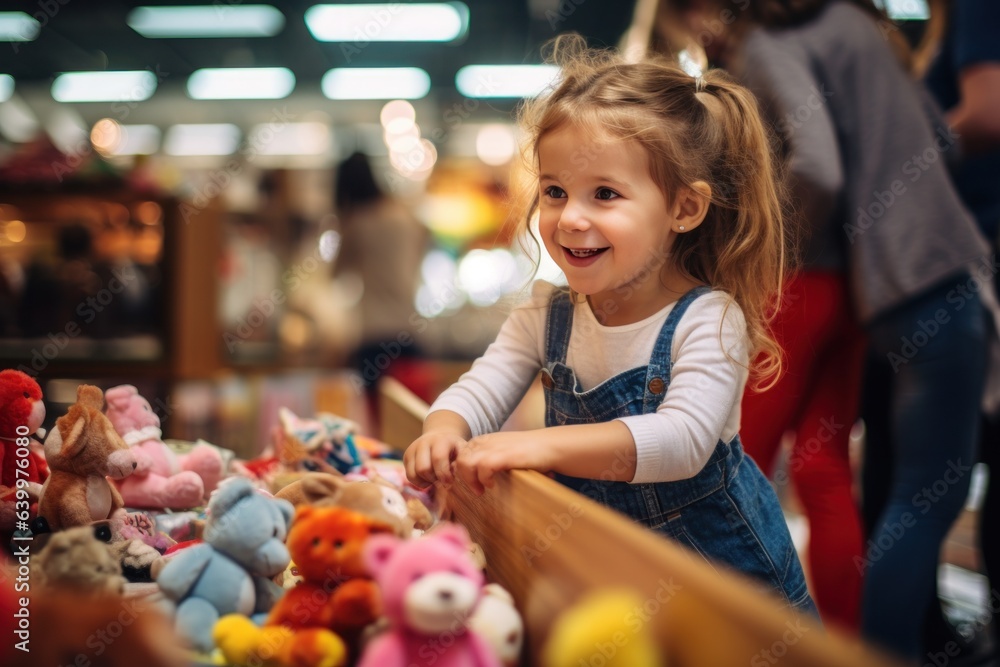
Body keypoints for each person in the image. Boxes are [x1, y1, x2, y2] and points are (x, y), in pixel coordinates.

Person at [403, 35, 817, 615]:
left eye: (604, 194)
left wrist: (538, 447)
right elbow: (480, 387)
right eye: (554, 191)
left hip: (723, 589)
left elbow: (682, 443)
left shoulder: (708, 317)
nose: (571, 217)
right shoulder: (545, 316)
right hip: (607, 574)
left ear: (684, 209)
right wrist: (444, 428)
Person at [666, 0, 995, 661]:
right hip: (866, 282)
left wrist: (766, 250)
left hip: (815, 281)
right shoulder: (851, 24)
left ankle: (731, 637)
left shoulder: (764, 44)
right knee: (826, 468)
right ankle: (843, 645)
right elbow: (932, 133)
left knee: (741, 461)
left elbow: (816, 165)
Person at [333, 152, 429, 401]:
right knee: (409, 415)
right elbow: (422, 246)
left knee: (377, 418)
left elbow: (337, 272)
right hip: (409, 330)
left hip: (373, 334)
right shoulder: (404, 216)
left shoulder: (357, 223)